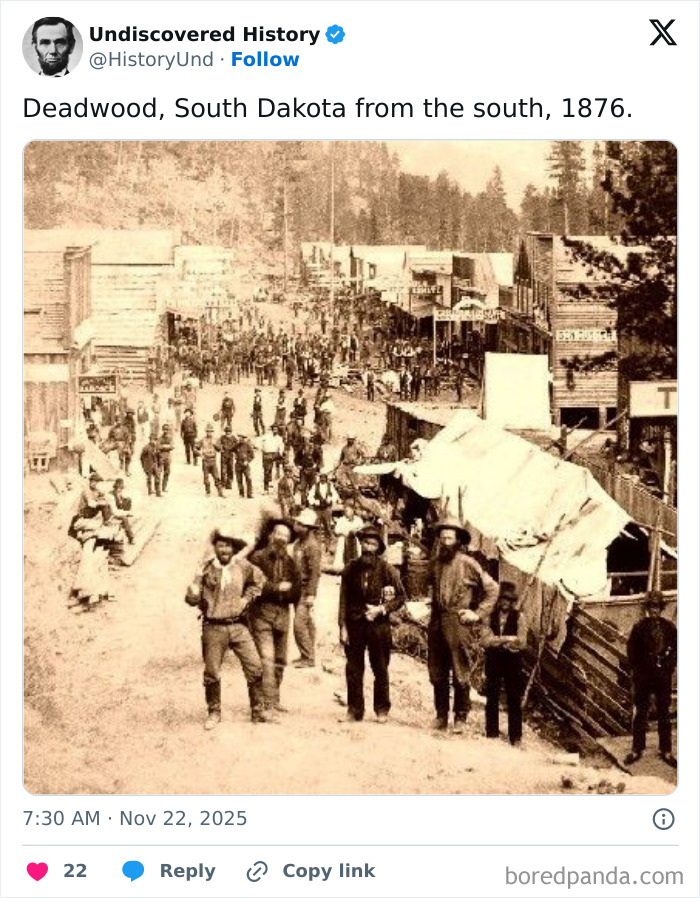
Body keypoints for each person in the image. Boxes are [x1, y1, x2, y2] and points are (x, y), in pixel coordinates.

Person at [185, 525, 267, 730]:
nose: (224, 550)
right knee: (212, 672)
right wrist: (195, 583)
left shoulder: (242, 565)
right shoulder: (205, 569)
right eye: (221, 546)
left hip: (238, 626)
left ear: (233, 549)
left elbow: (259, 581)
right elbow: (191, 600)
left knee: (255, 666)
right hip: (213, 627)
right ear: (215, 547)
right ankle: (214, 712)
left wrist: (246, 599)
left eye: (228, 546)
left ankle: (258, 710)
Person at [427, 519, 498, 733]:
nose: (445, 542)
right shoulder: (436, 563)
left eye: (449, 538)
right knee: (437, 671)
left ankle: (460, 717)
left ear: (458, 541)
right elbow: (433, 589)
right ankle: (441, 716)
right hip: (437, 620)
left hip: (458, 622)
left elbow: (493, 589)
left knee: (460, 670)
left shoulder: (468, 563)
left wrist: (477, 614)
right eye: (442, 538)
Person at [338, 526, 406, 723]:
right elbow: (343, 599)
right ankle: (354, 710)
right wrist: (342, 626)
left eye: (373, 544)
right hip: (355, 625)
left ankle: (382, 709)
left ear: (378, 547)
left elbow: (401, 597)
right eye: (366, 543)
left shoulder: (387, 569)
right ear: (361, 544)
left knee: (381, 667)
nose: (368, 547)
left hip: (378, 626)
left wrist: (381, 609)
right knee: (353, 669)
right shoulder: (351, 568)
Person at [248, 519, 302, 714]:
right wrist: (276, 588)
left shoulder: (292, 564)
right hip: (261, 614)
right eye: (278, 534)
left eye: (285, 536)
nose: (281, 539)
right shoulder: (257, 558)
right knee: (266, 659)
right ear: (271, 535)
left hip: (283, 616)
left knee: (280, 659)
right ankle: (265, 703)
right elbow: (252, 586)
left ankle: (274, 698)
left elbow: (296, 591)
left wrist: (287, 594)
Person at [624, 591, 677, 768]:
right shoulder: (639, 628)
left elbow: (676, 651)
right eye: (651, 607)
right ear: (647, 609)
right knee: (641, 713)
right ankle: (637, 749)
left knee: (664, 713)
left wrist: (667, 667)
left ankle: (666, 750)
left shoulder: (669, 628)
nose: (654, 610)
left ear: (661, 609)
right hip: (644, 677)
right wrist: (641, 668)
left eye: (657, 607)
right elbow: (631, 653)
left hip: (662, 678)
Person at [482, 582, 527, 746]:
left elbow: (522, 642)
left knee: (514, 697)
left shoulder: (519, 617)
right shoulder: (489, 616)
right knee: (492, 695)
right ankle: (491, 732)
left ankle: (516, 737)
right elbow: (485, 640)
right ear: (498, 600)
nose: (505, 602)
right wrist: (507, 639)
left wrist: (498, 641)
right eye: (502, 599)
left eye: (508, 600)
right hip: (493, 660)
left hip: (512, 662)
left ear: (512, 601)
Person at [292, 509, 322, 669]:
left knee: (299, 624)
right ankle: (307, 654)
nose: (296, 526)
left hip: (305, 590)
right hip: (297, 589)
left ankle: (308, 657)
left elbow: (315, 572)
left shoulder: (312, 546)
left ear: (308, 528)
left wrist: (311, 594)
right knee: (307, 623)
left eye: (300, 524)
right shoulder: (298, 543)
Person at [308, 469, 339, 548]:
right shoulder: (315, 486)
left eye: (324, 477)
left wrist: (330, 499)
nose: (323, 479)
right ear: (319, 478)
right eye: (321, 477)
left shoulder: (330, 486)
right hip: (317, 509)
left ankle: (328, 544)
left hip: (327, 509)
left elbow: (336, 496)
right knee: (316, 526)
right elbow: (310, 497)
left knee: (328, 527)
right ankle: (316, 544)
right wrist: (315, 502)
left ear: (326, 478)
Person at [197, 424, 224, 497]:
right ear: (206, 432)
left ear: (212, 432)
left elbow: (220, 449)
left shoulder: (216, 440)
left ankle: (220, 492)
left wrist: (216, 445)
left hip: (213, 461)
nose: (209, 433)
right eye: (208, 431)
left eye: (210, 431)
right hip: (205, 461)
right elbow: (195, 448)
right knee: (206, 478)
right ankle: (208, 492)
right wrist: (199, 454)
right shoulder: (203, 440)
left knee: (216, 477)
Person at [258, 424, 285, 493]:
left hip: (275, 454)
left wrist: (280, 453)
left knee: (285, 465)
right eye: (274, 429)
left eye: (276, 429)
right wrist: (262, 448)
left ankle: (281, 483)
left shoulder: (279, 438)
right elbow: (258, 441)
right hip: (267, 454)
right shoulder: (266, 436)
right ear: (272, 429)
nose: (275, 430)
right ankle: (266, 488)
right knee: (267, 471)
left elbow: (281, 445)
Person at [233, 433, 255, 499]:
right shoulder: (236, 445)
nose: (239, 439)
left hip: (245, 465)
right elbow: (230, 449)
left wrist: (247, 461)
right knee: (239, 480)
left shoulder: (247, 445)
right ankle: (241, 494)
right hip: (238, 464)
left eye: (241, 437)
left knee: (248, 479)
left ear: (243, 438)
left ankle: (249, 494)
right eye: (239, 437)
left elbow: (252, 455)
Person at [158, 423, 174, 493]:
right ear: (162, 430)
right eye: (164, 429)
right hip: (161, 457)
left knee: (167, 472)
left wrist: (164, 446)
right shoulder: (160, 438)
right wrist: (166, 446)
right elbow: (158, 446)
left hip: (168, 457)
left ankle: (164, 487)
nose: (165, 431)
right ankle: (158, 488)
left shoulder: (170, 438)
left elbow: (172, 446)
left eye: (167, 430)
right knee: (159, 472)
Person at [220, 425, 237, 490]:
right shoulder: (222, 437)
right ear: (225, 432)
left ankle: (229, 484)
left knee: (230, 470)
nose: (228, 433)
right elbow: (218, 444)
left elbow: (237, 445)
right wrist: (220, 448)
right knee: (223, 470)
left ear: (231, 432)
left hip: (230, 455)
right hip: (224, 455)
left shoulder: (233, 438)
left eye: (229, 431)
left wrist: (235, 452)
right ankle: (223, 483)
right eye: (227, 431)